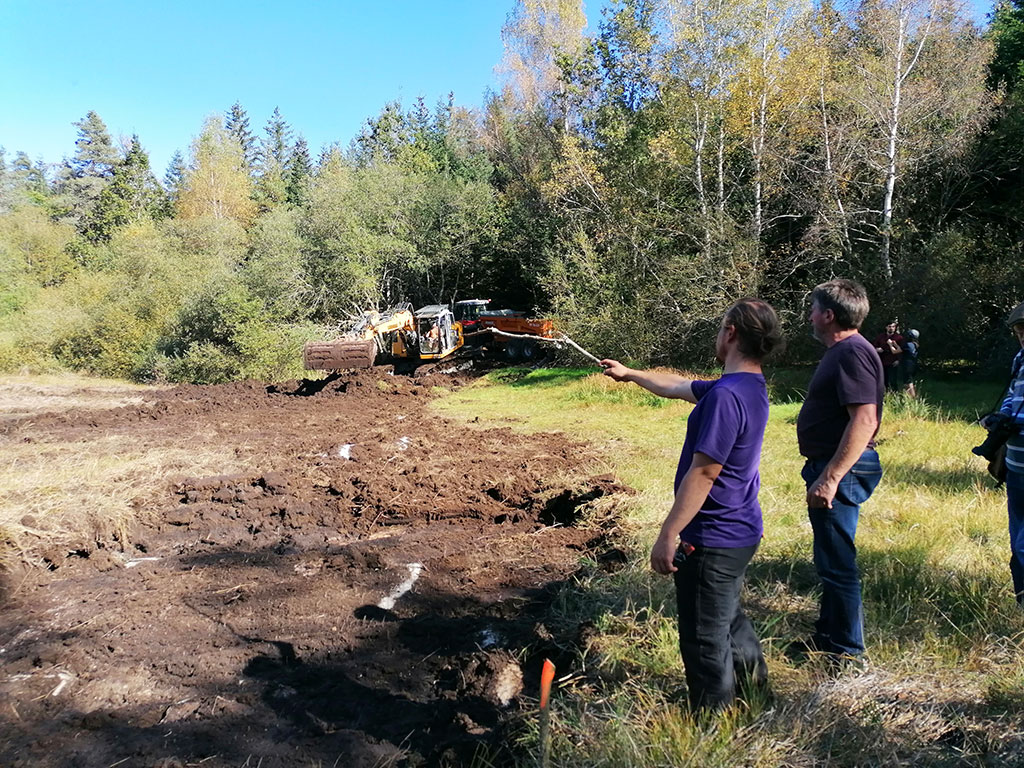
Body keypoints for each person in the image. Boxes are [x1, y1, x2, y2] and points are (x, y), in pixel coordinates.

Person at [600, 298, 782, 711]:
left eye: (721, 327)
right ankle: (755, 697)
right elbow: (679, 386)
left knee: (704, 637)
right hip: (741, 530)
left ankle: (712, 723)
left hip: (712, 535)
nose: (718, 335)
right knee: (729, 619)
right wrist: (630, 375)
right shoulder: (747, 387)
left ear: (731, 333)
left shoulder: (724, 398)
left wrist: (668, 534)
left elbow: (704, 473)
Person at [795, 279, 884, 667]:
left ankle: (847, 653)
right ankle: (827, 637)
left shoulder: (851, 353)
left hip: (841, 468)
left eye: (813, 309)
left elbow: (864, 420)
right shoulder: (845, 351)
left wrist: (830, 477)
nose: (810, 316)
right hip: (833, 464)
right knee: (830, 557)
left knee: (838, 562)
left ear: (829, 315)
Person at [1000, 302, 1024, 604]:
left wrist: (1016, 422)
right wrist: (1001, 418)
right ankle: (1021, 600)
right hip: (1015, 463)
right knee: (1016, 537)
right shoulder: (1020, 359)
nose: (1023, 338)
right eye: (1019, 333)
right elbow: (1010, 395)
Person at [872, 320, 903, 391]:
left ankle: (895, 395)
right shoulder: (880, 337)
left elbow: (902, 350)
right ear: (886, 327)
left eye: (893, 327)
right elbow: (874, 347)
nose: (891, 328)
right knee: (883, 380)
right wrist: (878, 349)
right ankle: (885, 395)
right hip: (882, 361)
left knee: (893, 380)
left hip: (893, 361)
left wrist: (898, 360)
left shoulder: (899, 338)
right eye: (889, 326)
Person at [901, 329, 920, 396]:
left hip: (907, 366)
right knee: (910, 381)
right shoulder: (915, 344)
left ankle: (912, 397)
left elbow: (896, 351)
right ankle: (909, 397)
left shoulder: (907, 345)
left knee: (908, 383)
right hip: (913, 365)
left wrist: (891, 344)